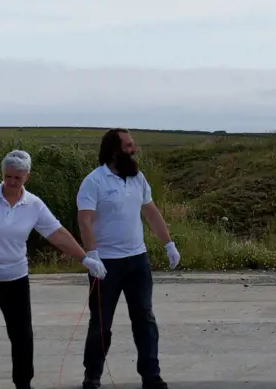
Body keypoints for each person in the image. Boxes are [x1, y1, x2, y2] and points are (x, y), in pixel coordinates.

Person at [0, 149, 107, 389]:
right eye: (8, 176)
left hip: (15, 278)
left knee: (22, 335)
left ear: (27, 177)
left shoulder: (34, 205)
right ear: (3, 173)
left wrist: (85, 259)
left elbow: (57, 234)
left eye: (17, 178)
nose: (11, 182)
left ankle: (23, 384)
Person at [77, 128, 180, 389]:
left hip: (138, 261)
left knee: (144, 319)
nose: (134, 149)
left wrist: (168, 243)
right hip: (106, 264)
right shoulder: (94, 181)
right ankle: (92, 375)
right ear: (114, 150)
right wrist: (92, 255)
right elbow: (85, 220)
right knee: (101, 323)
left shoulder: (137, 179)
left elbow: (151, 212)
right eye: (129, 145)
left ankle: (151, 376)